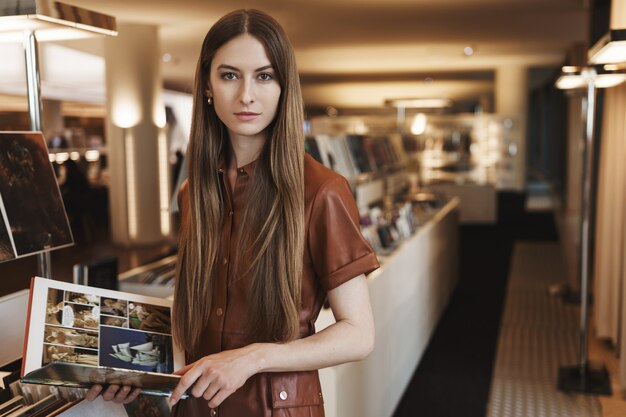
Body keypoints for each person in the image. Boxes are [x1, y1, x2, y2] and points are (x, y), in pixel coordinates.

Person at [86, 9, 379, 415]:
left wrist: (253, 357)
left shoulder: (322, 191)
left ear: (283, 87)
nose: (246, 95)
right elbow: (195, 318)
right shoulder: (194, 192)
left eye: (264, 76)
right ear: (207, 86)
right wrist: (134, 371)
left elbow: (359, 334)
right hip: (198, 406)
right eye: (229, 75)